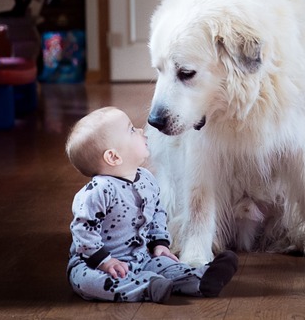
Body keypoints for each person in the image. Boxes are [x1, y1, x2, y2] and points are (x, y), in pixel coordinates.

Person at [65, 106, 238, 303]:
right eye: (131, 130)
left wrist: (159, 243)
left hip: (141, 257)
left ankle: (200, 279)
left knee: (167, 266)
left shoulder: (145, 178)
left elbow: (157, 213)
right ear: (113, 157)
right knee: (88, 281)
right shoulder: (97, 192)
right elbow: (82, 230)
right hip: (97, 263)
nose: (140, 130)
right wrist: (104, 261)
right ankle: (146, 288)